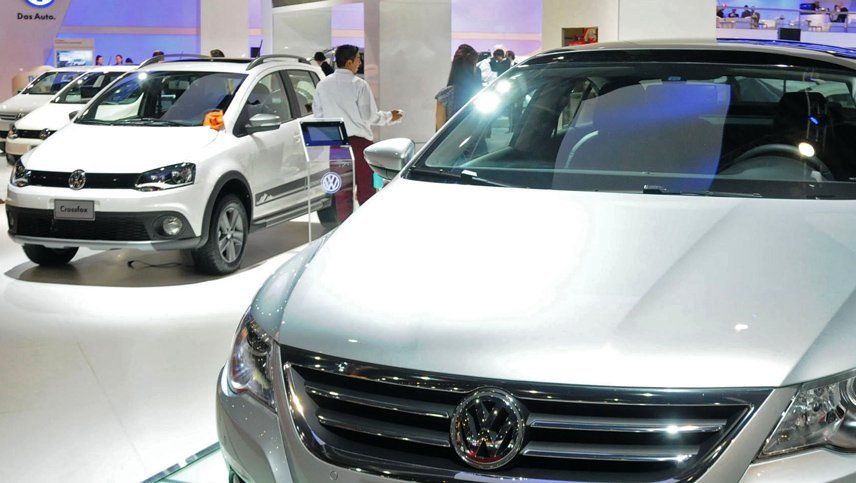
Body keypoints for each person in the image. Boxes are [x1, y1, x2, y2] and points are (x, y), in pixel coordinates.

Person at [312, 44, 403, 206]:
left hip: (337, 144)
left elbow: (318, 115)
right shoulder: (359, 84)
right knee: (366, 189)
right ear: (349, 62)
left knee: (342, 193)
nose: (360, 63)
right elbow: (369, 116)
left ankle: (344, 221)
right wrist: (390, 116)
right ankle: (365, 221)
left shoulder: (322, 85)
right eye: (358, 59)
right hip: (360, 144)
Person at [435, 44, 481, 130]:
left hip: (451, 138)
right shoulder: (479, 95)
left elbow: (440, 130)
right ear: (471, 66)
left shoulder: (444, 95)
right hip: (474, 138)